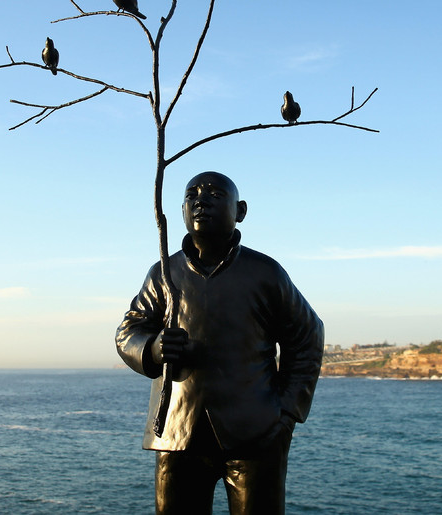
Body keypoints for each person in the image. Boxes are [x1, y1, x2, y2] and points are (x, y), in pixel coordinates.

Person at [116, 171, 324, 515]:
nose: (201, 200)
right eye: (192, 194)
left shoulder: (265, 273)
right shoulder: (163, 274)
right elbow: (128, 331)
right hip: (177, 431)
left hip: (256, 434)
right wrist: (151, 348)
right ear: (182, 210)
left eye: (214, 194)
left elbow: (307, 335)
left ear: (240, 210)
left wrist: (287, 411)